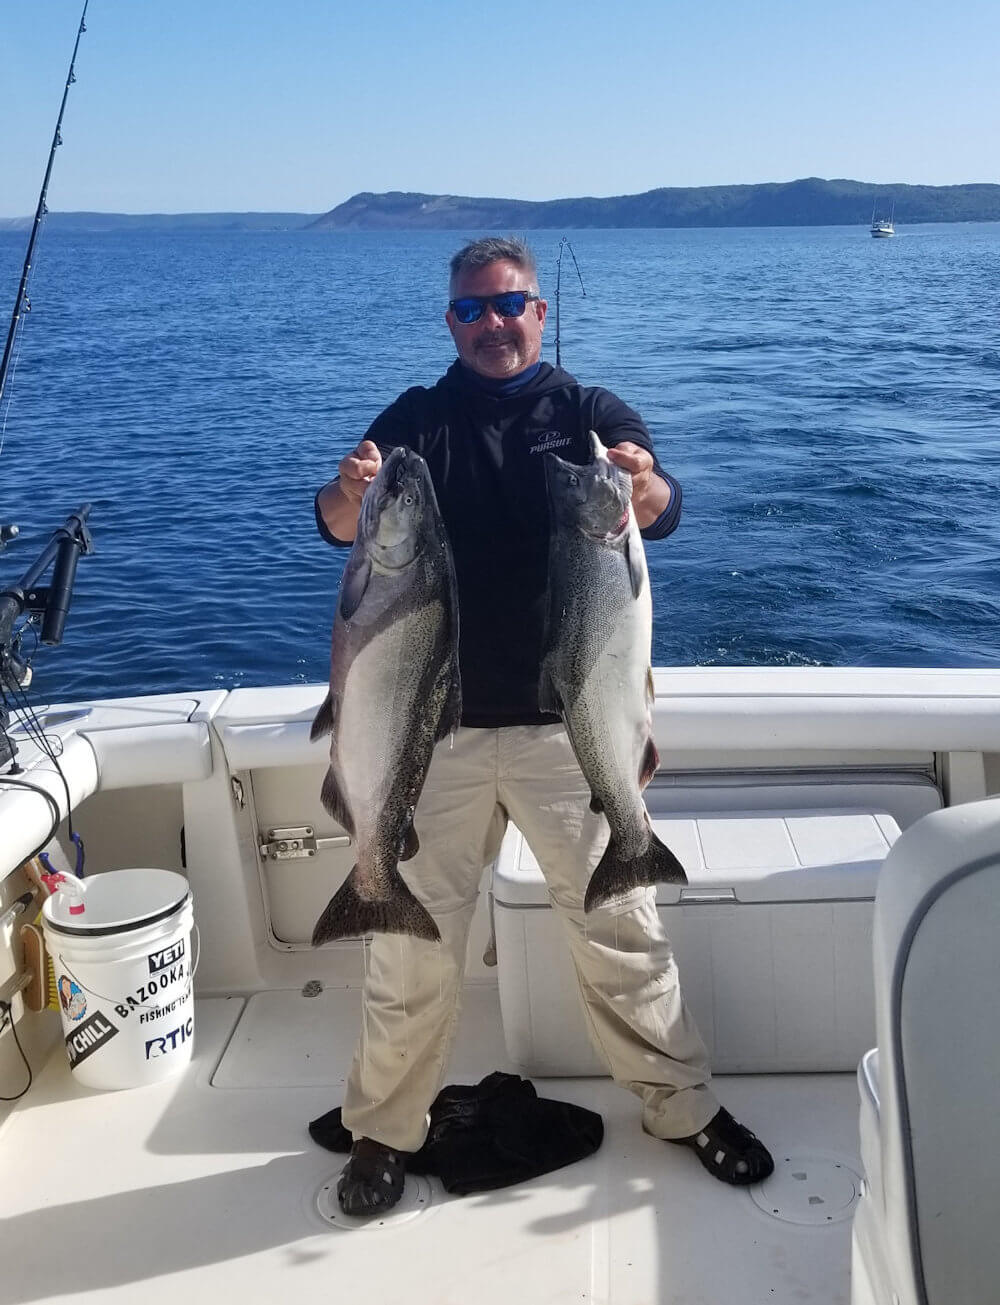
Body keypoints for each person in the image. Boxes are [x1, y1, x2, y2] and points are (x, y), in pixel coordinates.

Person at [315, 236, 773, 1215]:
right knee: (410, 952)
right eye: (472, 310)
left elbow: (663, 504)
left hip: (572, 732)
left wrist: (643, 485)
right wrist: (348, 495)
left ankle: (683, 1107)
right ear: (451, 322)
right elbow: (335, 520)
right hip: (429, 736)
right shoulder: (416, 422)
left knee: (623, 934)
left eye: (509, 304)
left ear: (538, 311)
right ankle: (382, 1132)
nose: (493, 324)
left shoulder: (589, 416)